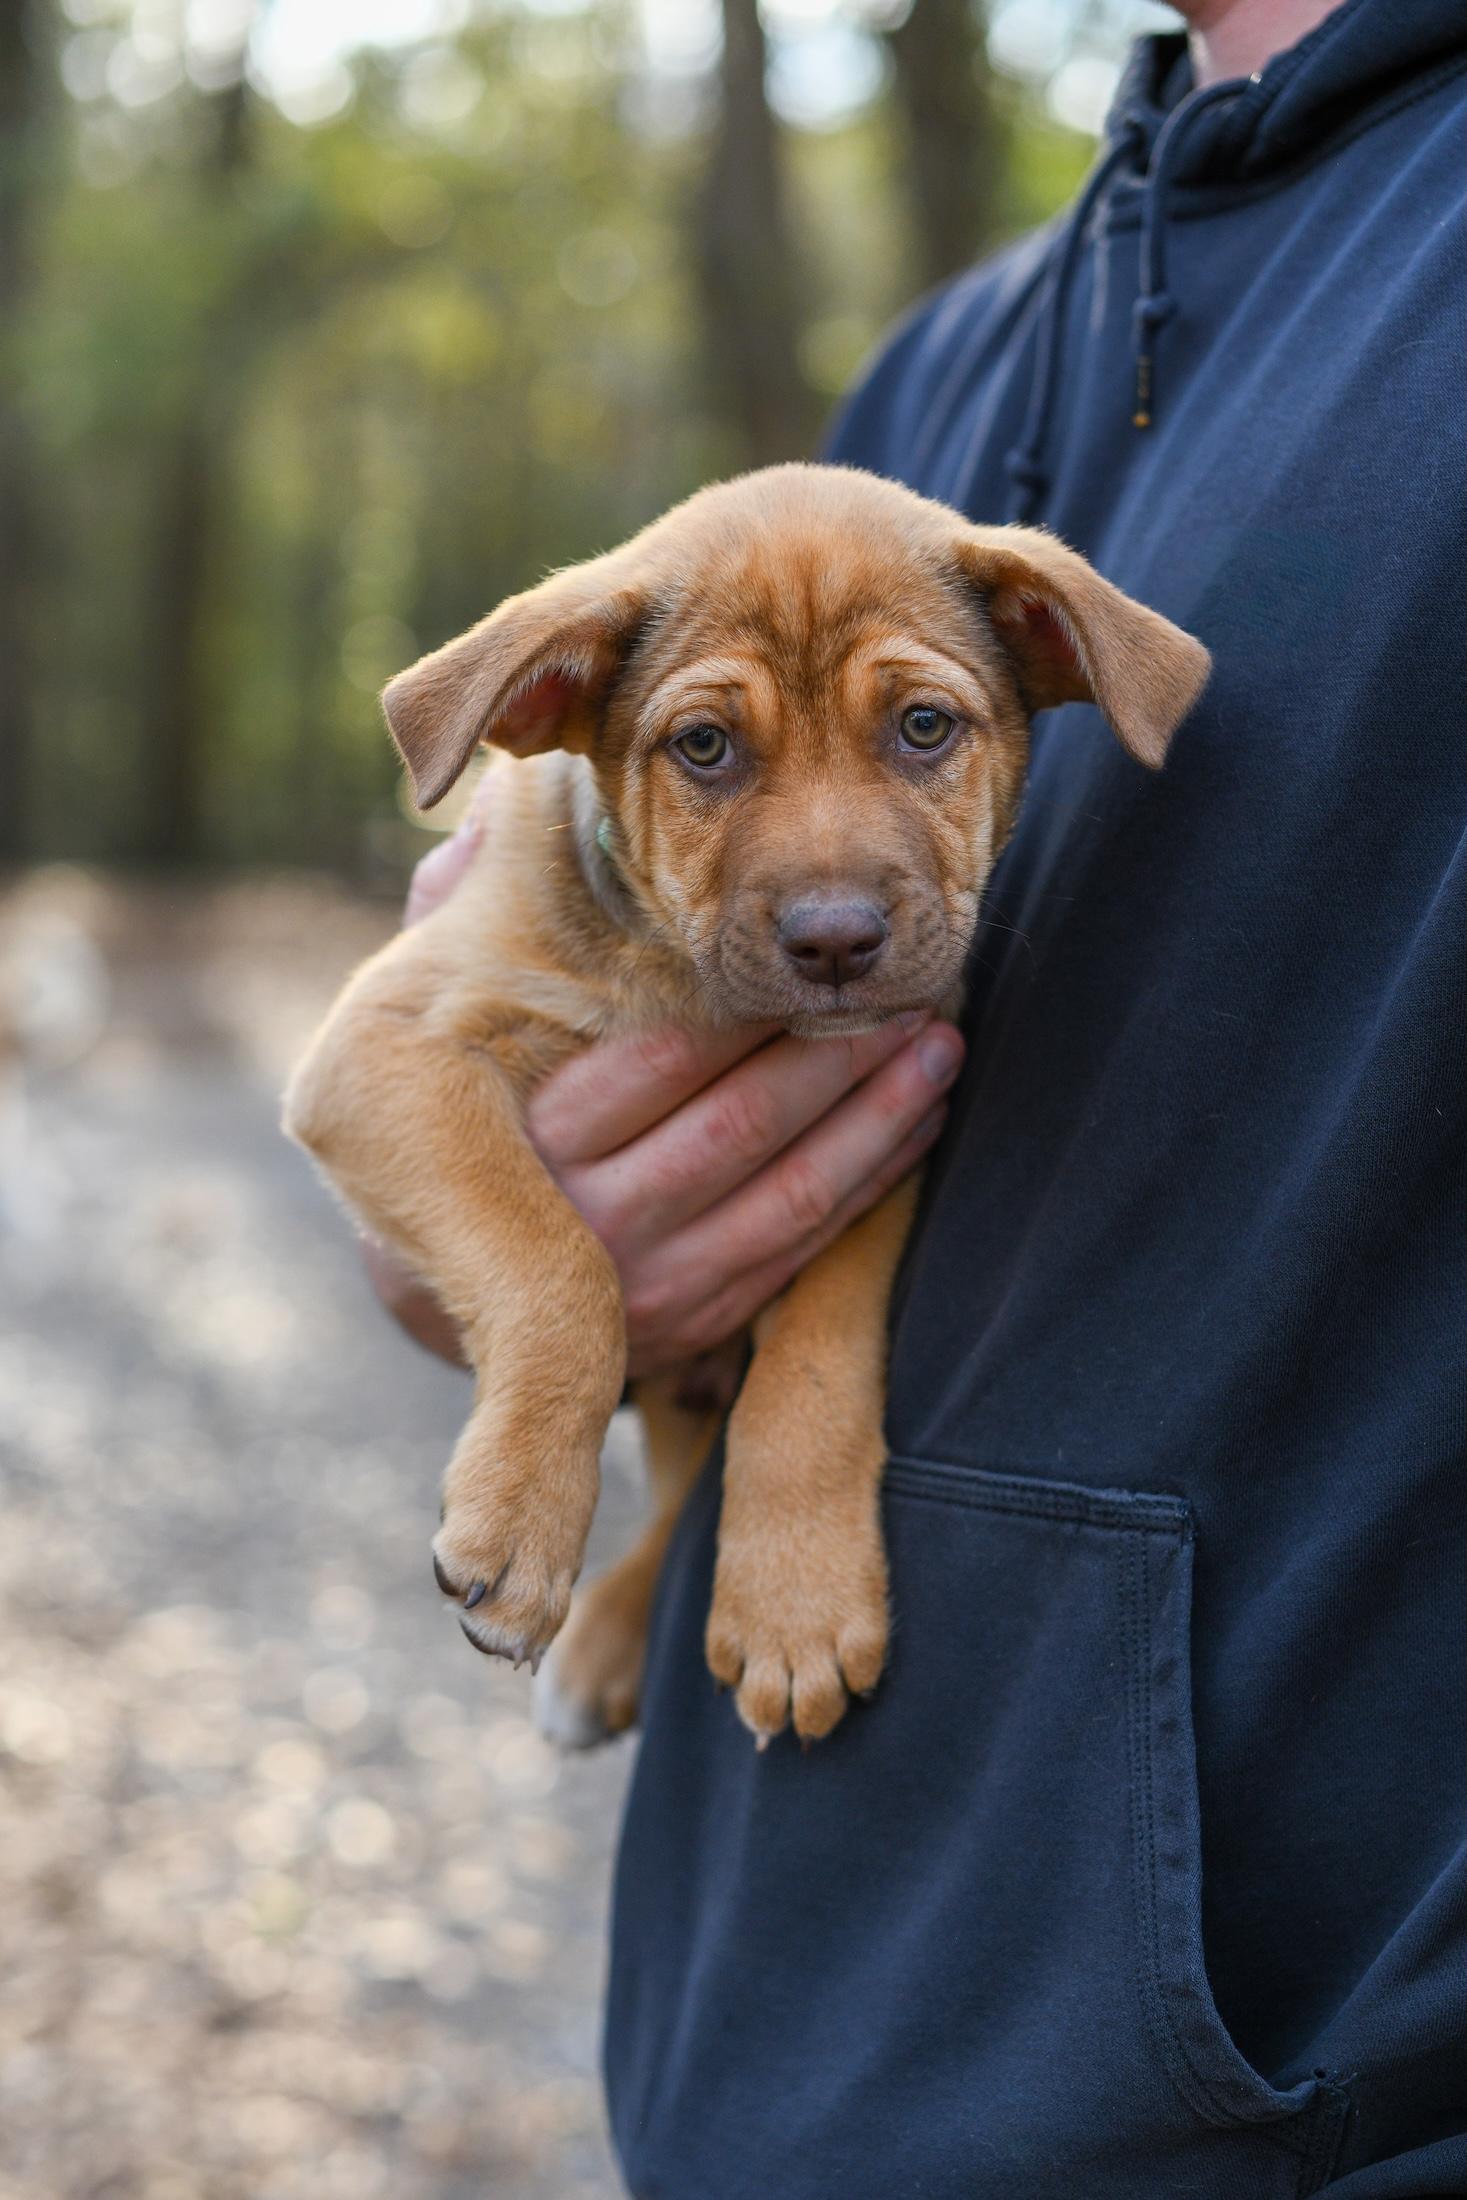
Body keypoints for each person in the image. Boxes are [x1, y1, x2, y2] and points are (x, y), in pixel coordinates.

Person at [375, 0, 1465, 2189]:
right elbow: (410, 1092)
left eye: (914, 735)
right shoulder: (947, 368)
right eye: (714, 747)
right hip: (745, 2048)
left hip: (1266, 2096)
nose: (831, 877)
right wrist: (530, 1265)